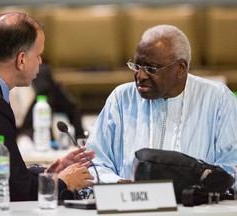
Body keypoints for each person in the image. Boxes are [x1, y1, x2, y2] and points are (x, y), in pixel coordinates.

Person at [0, 12, 94, 204]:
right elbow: (18, 192)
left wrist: (47, 173)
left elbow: (3, 172)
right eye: (39, 55)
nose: (41, 62)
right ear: (22, 60)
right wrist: (63, 182)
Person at [86, 24, 237, 183]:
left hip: (197, 204)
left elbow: (232, 167)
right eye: (137, 66)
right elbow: (94, 163)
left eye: (151, 68)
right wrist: (116, 182)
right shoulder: (122, 98)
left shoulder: (216, 98)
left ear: (180, 68)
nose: (141, 75)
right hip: (132, 203)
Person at [16, 63, 85, 141]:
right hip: (28, 135)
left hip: (41, 135)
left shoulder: (52, 91)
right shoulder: (22, 88)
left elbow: (73, 110)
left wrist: (79, 136)